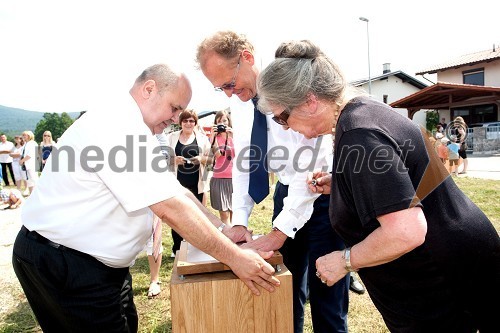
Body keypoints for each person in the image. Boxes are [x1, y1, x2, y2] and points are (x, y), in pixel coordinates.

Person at [12, 63, 280, 333]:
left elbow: (175, 191)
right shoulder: (117, 125)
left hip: (95, 266)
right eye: (174, 108)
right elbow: (169, 208)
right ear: (149, 89)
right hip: (66, 264)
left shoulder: (140, 129)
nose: (176, 118)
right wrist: (235, 258)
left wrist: (222, 229)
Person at [257, 39, 500, 333]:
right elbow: (402, 178)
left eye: (283, 117)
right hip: (452, 267)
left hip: (444, 282)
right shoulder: (362, 111)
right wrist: (342, 183)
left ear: (309, 101)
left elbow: (406, 230)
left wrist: (344, 260)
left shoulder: (359, 133)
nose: (286, 127)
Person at [196, 31, 351, 333]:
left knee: (328, 297)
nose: (228, 93)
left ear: (247, 59)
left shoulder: (291, 81)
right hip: (287, 193)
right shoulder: (241, 103)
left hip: (323, 194)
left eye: (229, 83)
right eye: (220, 89)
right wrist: (239, 220)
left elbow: (311, 166)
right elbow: (246, 162)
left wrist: (278, 234)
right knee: (286, 291)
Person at [165, 109, 212, 256]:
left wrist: (201, 159)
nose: (188, 123)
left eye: (191, 120)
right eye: (185, 120)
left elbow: (211, 160)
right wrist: (174, 161)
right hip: (177, 184)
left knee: (196, 216)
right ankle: (177, 247)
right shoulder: (171, 137)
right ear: (180, 122)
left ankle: (194, 246)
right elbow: (161, 160)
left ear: (195, 123)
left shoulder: (202, 139)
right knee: (177, 215)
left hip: (196, 184)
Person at [208, 110, 234, 225]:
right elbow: (217, 155)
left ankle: (235, 236)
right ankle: (227, 237)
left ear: (228, 121)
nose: (222, 124)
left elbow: (242, 155)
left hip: (234, 178)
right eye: (219, 122)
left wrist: (233, 136)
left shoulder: (235, 136)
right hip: (219, 178)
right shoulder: (214, 138)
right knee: (224, 213)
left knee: (235, 211)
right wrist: (212, 136)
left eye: (224, 120)